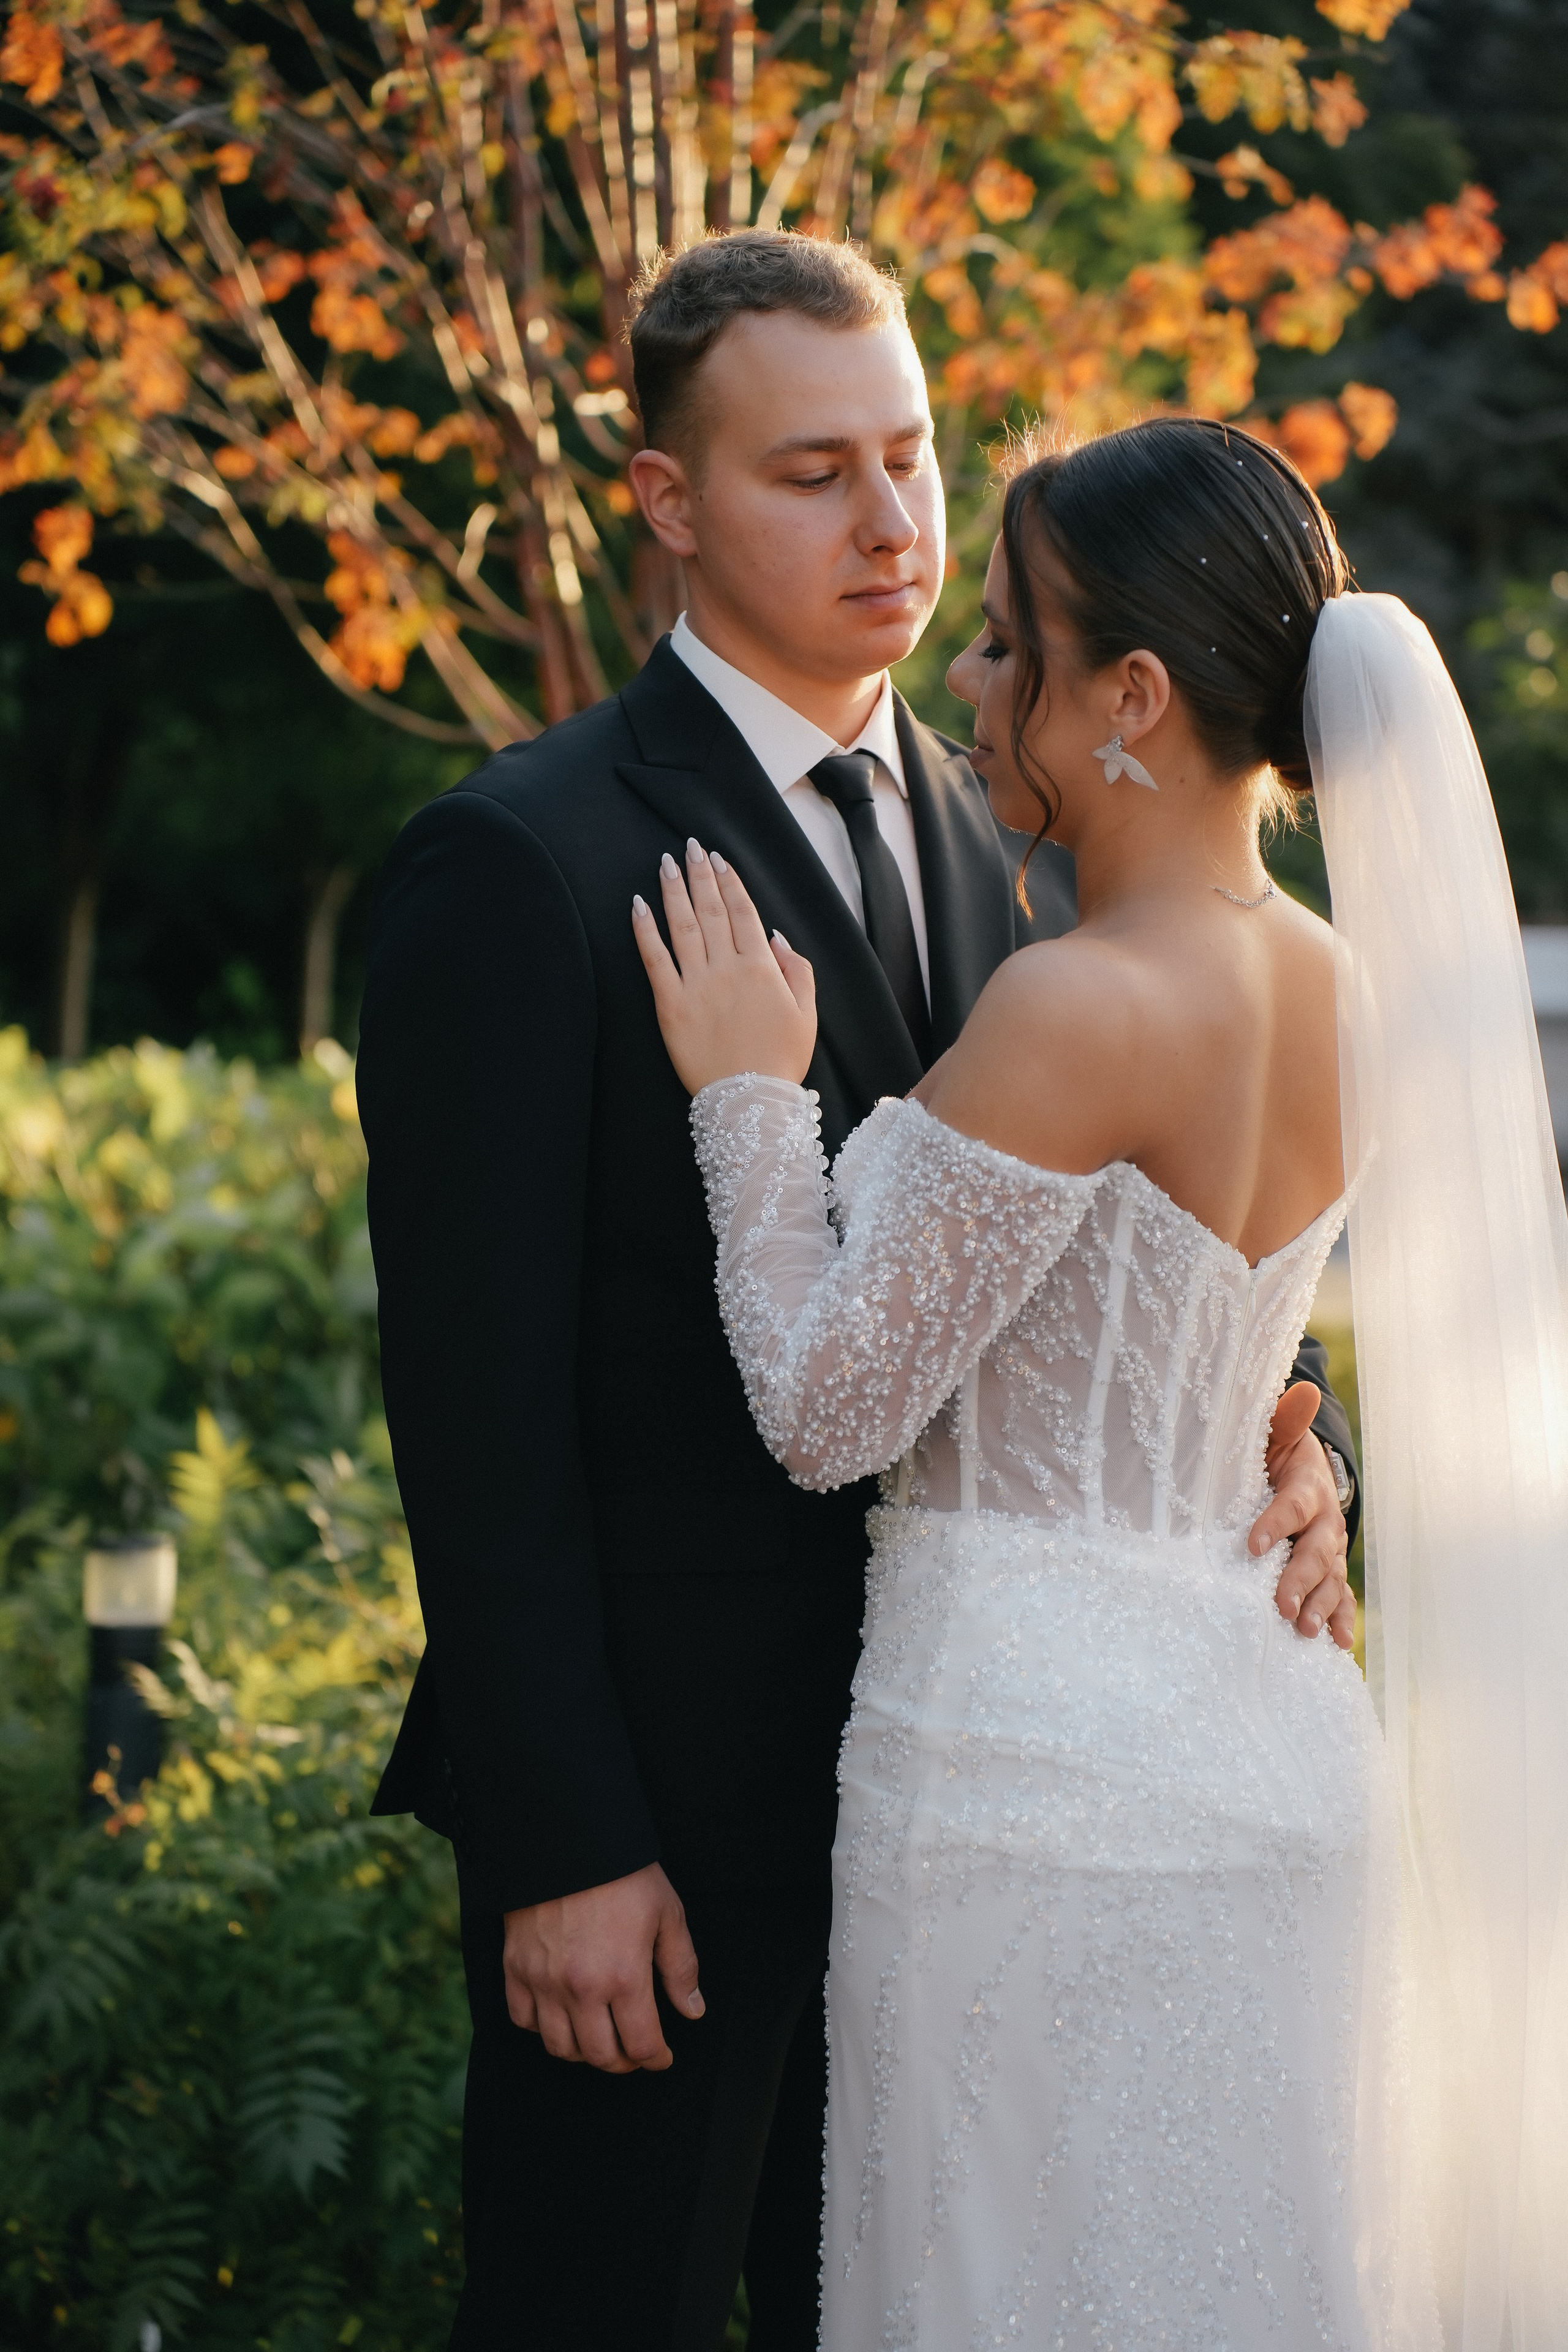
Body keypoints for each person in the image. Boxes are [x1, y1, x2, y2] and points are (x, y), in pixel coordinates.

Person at [356, 236, 1359, 2350]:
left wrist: (1290, 1432)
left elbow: (1143, 1234)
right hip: (673, 1852)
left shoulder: (1049, 823)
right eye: (815, 472)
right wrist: (562, 1842)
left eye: (910, 454)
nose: (896, 522)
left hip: (1007, 1824)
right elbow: (473, 1400)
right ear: (667, 502)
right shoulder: (519, 863)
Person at [633, 417, 1568, 2348]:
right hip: (1275, 1757)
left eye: (1003, 642)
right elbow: (1214, 1348)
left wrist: (744, 1098)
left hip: (1026, 1786)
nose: (964, 683)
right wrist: (1311, 1461)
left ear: (1129, 694)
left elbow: (828, 1414)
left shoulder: (1074, 1003)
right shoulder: (1346, 990)